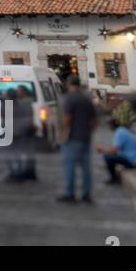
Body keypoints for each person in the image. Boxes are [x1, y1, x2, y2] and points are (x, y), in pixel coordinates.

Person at [58, 75, 97, 203]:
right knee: (86, 166)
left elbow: (68, 118)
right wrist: (88, 132)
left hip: (73, 136)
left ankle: (70, 193)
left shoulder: (69, 98)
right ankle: (86, 194)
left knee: (70, 165)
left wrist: (62, 133)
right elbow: (94, 121)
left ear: (69, 84)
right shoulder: (87, 98)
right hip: (85, 136)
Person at [5, 85, 36, 181]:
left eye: (19, 91)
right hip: (24, 130)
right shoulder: (27, 101)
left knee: (14, 153)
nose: (17, 93)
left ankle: (20, 173)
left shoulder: (24, 102)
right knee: (25, 152)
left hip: (20, 131)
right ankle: (27, 173)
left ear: (24, 92)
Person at [98, 117, 136, 183]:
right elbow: (115, 148)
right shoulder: (122, 130)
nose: (108, 127)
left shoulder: (119, 133)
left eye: (109, 125)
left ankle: (114, 178)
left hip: (132, 161)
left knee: (107, 157)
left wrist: (102, 149)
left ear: (112, 126)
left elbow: (114, 150)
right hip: (133, 159)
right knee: (110, 155)